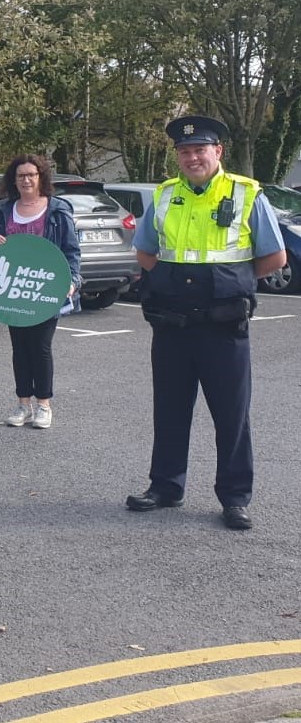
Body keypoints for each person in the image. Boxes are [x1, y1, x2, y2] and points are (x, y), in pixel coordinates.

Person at [127, 115, 286, 530]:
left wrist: (231, 282)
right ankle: (165, 486)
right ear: (177, 156)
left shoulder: (246, 194)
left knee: (232, 416)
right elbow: (145, 251)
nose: (192, 156)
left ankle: (234, 498)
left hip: (223, 326)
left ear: (218, 151)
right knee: (170, 410)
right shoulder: (164, 195)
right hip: (173, 325)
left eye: (200, 149)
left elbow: (274, 258)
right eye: (184, 151)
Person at [0, 154, 82, 430]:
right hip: (14, 291)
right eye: (21, 176)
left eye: (32, 174)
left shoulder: (57, 209)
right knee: (20, 348)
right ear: (13, 180)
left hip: (46, 289)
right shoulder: (6, 211)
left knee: (40, 347)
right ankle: (23, 404)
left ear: (41, 177)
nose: (26, 179)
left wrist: (73, 280)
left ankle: (44, 406)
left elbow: (71, 250)